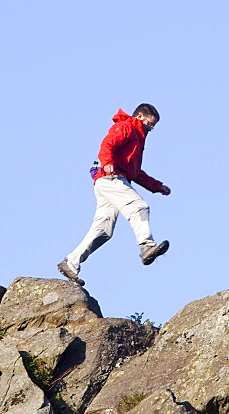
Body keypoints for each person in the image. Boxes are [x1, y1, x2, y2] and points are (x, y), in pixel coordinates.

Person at [57, 104, 171, 286]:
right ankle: (147, 246)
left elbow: (135, 173)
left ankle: (71, 262)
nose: (151, 129)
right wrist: (108, 162)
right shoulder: (126, 126)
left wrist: (157, 186)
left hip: (114, 179)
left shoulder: (138, 139)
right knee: (139, 207)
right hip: (110, 177)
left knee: (104, 229)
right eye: (149, 124)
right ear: (140, 116)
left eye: (153, 126)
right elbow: (107, 144)